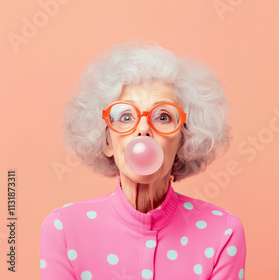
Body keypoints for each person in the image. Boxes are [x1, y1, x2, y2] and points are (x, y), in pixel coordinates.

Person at [39, 40, 246, 279]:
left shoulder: (223, 232)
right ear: (107, 141)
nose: (144, 128)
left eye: (164, 117)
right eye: (126, 116)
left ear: (183, 141)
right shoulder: (64, 229)